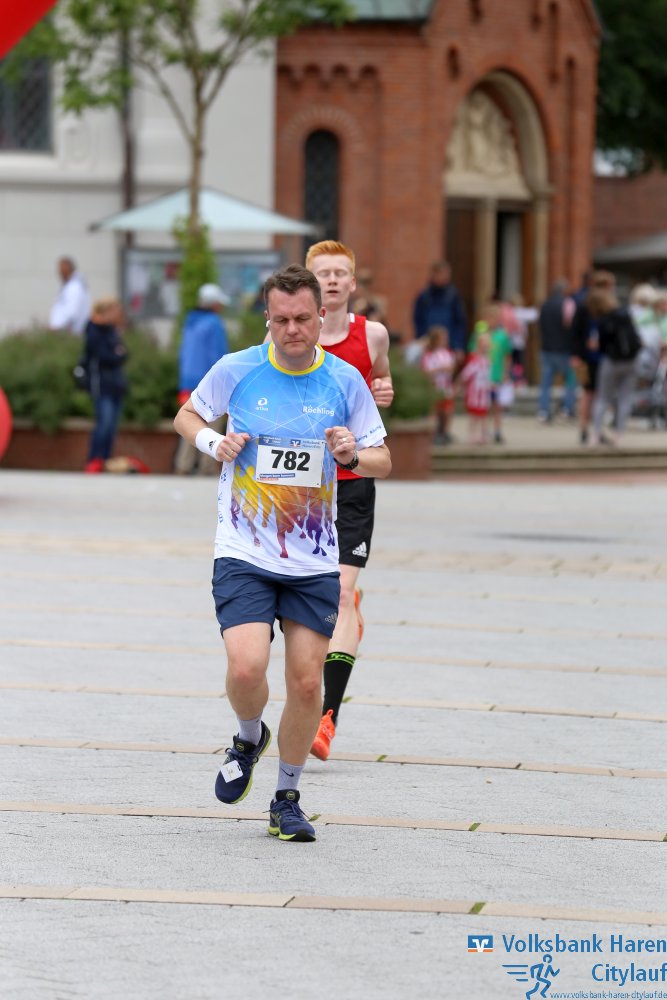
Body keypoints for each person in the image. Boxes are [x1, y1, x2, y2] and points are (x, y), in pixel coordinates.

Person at [173, 264, 391, 843]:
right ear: (267, 318)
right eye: (281, 319)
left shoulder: (344, 381)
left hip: (312, 559)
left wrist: (351, 455)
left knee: (306, 683)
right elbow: (186, 415)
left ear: (321, 317)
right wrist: (214, 441)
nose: (292, 330)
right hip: (243, 549)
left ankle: (286, 799)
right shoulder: (237, 368)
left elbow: (383, 459)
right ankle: (249, 736)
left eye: (302, 319)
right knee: (246, 667)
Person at [304, 240, 394, 761]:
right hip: (301, 485)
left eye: (341, 273)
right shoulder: (290, 334)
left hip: (353, 479)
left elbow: (382, 382)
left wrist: (385, 391)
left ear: (353, 284)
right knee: (310, 600)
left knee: (340, 593)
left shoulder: (373, 334)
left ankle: (327, 717)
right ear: (309, 283)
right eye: (324, 273)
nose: (333, 280)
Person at [174, 283, 230, 475]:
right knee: (212, 422)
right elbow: (219, 356)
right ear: (214, 304)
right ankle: (207, 466)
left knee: (189, 420)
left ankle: (183, 464)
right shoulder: (214, 323)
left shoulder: (190, 321)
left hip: (187, 381)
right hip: (209, 381)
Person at [588, 287, 641, 447]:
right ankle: (619, 434)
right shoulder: (625, 314)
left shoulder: (603, 319)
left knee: (603, 398)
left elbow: (601, 344)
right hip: (631, 361)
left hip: (611, 361)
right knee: (625, 398)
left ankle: (595, 434)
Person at [82, 297, 128, 473]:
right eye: (114, 311)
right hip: (101, 384)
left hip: (115, 383)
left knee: (112, 426)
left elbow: (123, 353)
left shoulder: (112, 330)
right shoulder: (93, 329)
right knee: (104, 423)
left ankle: (105, 459)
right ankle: (94, 459)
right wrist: (116, 354)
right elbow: (104, 356)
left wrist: (117, 354)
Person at [570, 270, 615, 445]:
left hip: (601, 356)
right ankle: (586, 429)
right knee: (590, 393)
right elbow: (575, 331)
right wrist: (576, 354)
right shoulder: (586, 305)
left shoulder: (606, 306)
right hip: (590, 357)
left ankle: (594, 429)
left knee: (595, 394)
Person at [537, 279, 577, 423]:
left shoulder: (545, 305)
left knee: (545, 383)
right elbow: (571, 326)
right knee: (570, 380)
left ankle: (543, 411)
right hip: (564, 348)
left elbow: (540, 326)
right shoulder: (568, 304)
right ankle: (567, 409)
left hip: (547, 348)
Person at [413, 260, 468, 358]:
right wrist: (421, 337)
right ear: (434, 274)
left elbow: (459, 322)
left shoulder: (453, 295)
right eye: (442, 274)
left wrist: (458, 345)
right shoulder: (424, 296)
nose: (446, 277)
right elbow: (418, 320)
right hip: (429, 343)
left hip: (449, 344)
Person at [420, 325, 456, 444]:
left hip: (445, 386)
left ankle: (445, 432)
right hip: (434, 386)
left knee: (447, 410)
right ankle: (433, 433)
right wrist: (439, 369)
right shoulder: (429, 354)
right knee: (434, 410)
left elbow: (452, 368)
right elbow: (425, 371)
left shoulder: (448, 353)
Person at [459, 326, 491, 444]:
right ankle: (472, 434)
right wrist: (460, 385)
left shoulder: (486, 360)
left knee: (483, 414)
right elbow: (466, 374)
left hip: (483, 391)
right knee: (474, 415)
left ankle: (482, 434)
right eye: (484, 344)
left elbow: (488, 375)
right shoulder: (474, 359)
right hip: (474, 391)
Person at [49, 256, 91, 335]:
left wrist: (57, 327)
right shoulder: (70, 285)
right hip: (66, 331)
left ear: (67, 269)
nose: (59, 273)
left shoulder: (74, 287)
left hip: (67, 332)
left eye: (61, 270)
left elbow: (72, 312)